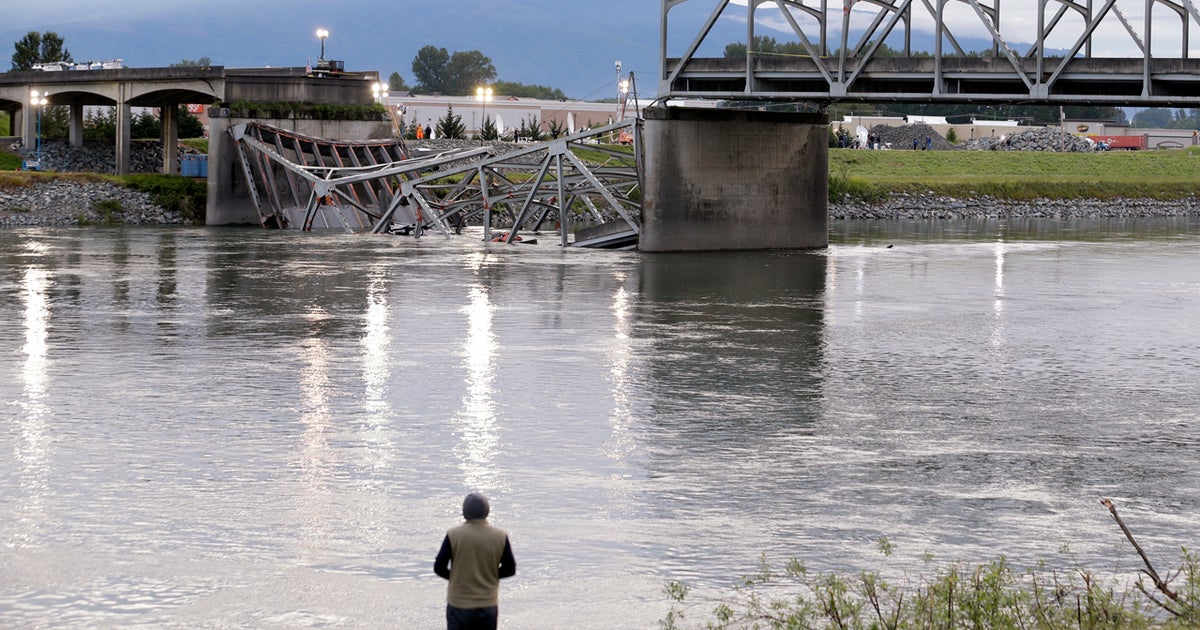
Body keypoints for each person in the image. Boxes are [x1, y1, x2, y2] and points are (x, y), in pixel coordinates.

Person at [434, 493, 516, 630]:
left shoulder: (453, 535)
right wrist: (489, 577)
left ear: (464, 512)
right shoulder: (500, 536)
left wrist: (456, 578)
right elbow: (510, 569)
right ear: (487, 512)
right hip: (487, 604)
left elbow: (439, 567)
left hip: (458, 604)